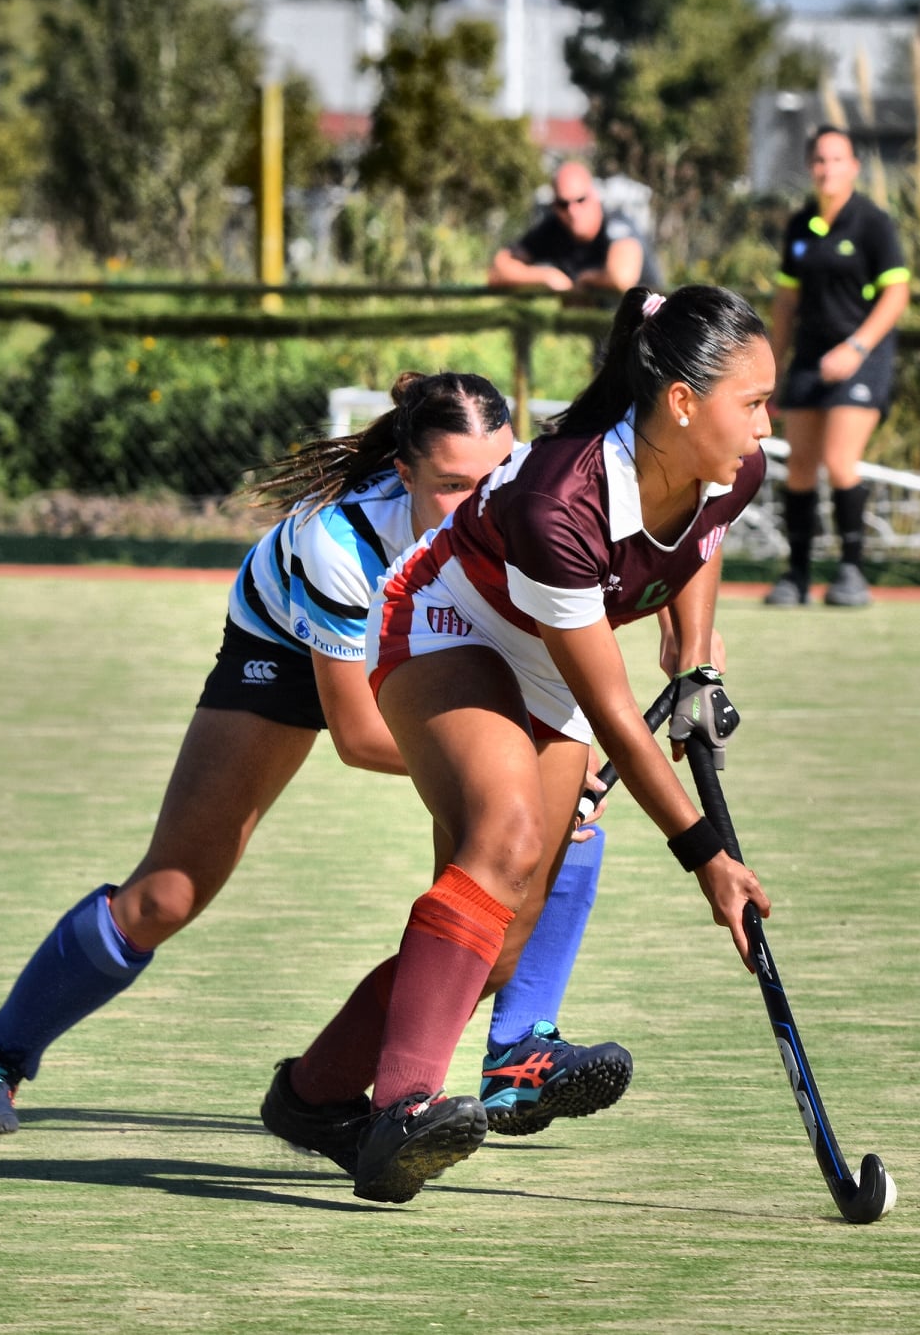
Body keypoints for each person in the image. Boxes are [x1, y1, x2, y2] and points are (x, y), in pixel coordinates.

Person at [0, 372, 633, 1139]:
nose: (474, 503)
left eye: (491, 478)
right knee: (167, 893)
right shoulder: (335, 541)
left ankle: (516, 1053)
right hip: (295, 655)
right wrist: (517, 771)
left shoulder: (525, 511)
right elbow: (361, 737)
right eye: (448, 485)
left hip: (455, 650)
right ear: (403, 473)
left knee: (536, 840)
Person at [276, 284, 776, 1205]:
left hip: (546, 654)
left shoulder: (729, 463)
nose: (764, 424)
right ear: (679, 402)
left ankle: (310, 1098)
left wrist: (697, 659)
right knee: (500, 843)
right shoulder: (562, 500)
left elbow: (703, 536)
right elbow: (617, 716)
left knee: (496, 949)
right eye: (751, 402)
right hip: (444, 622)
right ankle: (403, 1111)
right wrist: (705, 855)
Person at [763, 126, 910, 609]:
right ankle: (797, 574)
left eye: (838, 160)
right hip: (809, 359)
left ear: (854, 167)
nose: (828, 169)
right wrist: (771, 371)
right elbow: (786, 304)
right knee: (800, 465)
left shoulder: (872, 223)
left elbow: (896, 293)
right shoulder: (801, 225)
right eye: (820, 161)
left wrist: (857, 348)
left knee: (840, 460)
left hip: (862, 360)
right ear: (811, 168)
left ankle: (851, 572)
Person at [487, 161, 661, 294]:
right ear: (555, 205)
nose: (572, 211)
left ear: (593, 195)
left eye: (580, 200)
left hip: (652, 334)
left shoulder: (617, 224)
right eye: (563, 204)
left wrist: (584, 280)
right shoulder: (552, 228)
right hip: (601, 334)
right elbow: (498, 270)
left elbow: (622, 278)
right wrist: (547, 276)